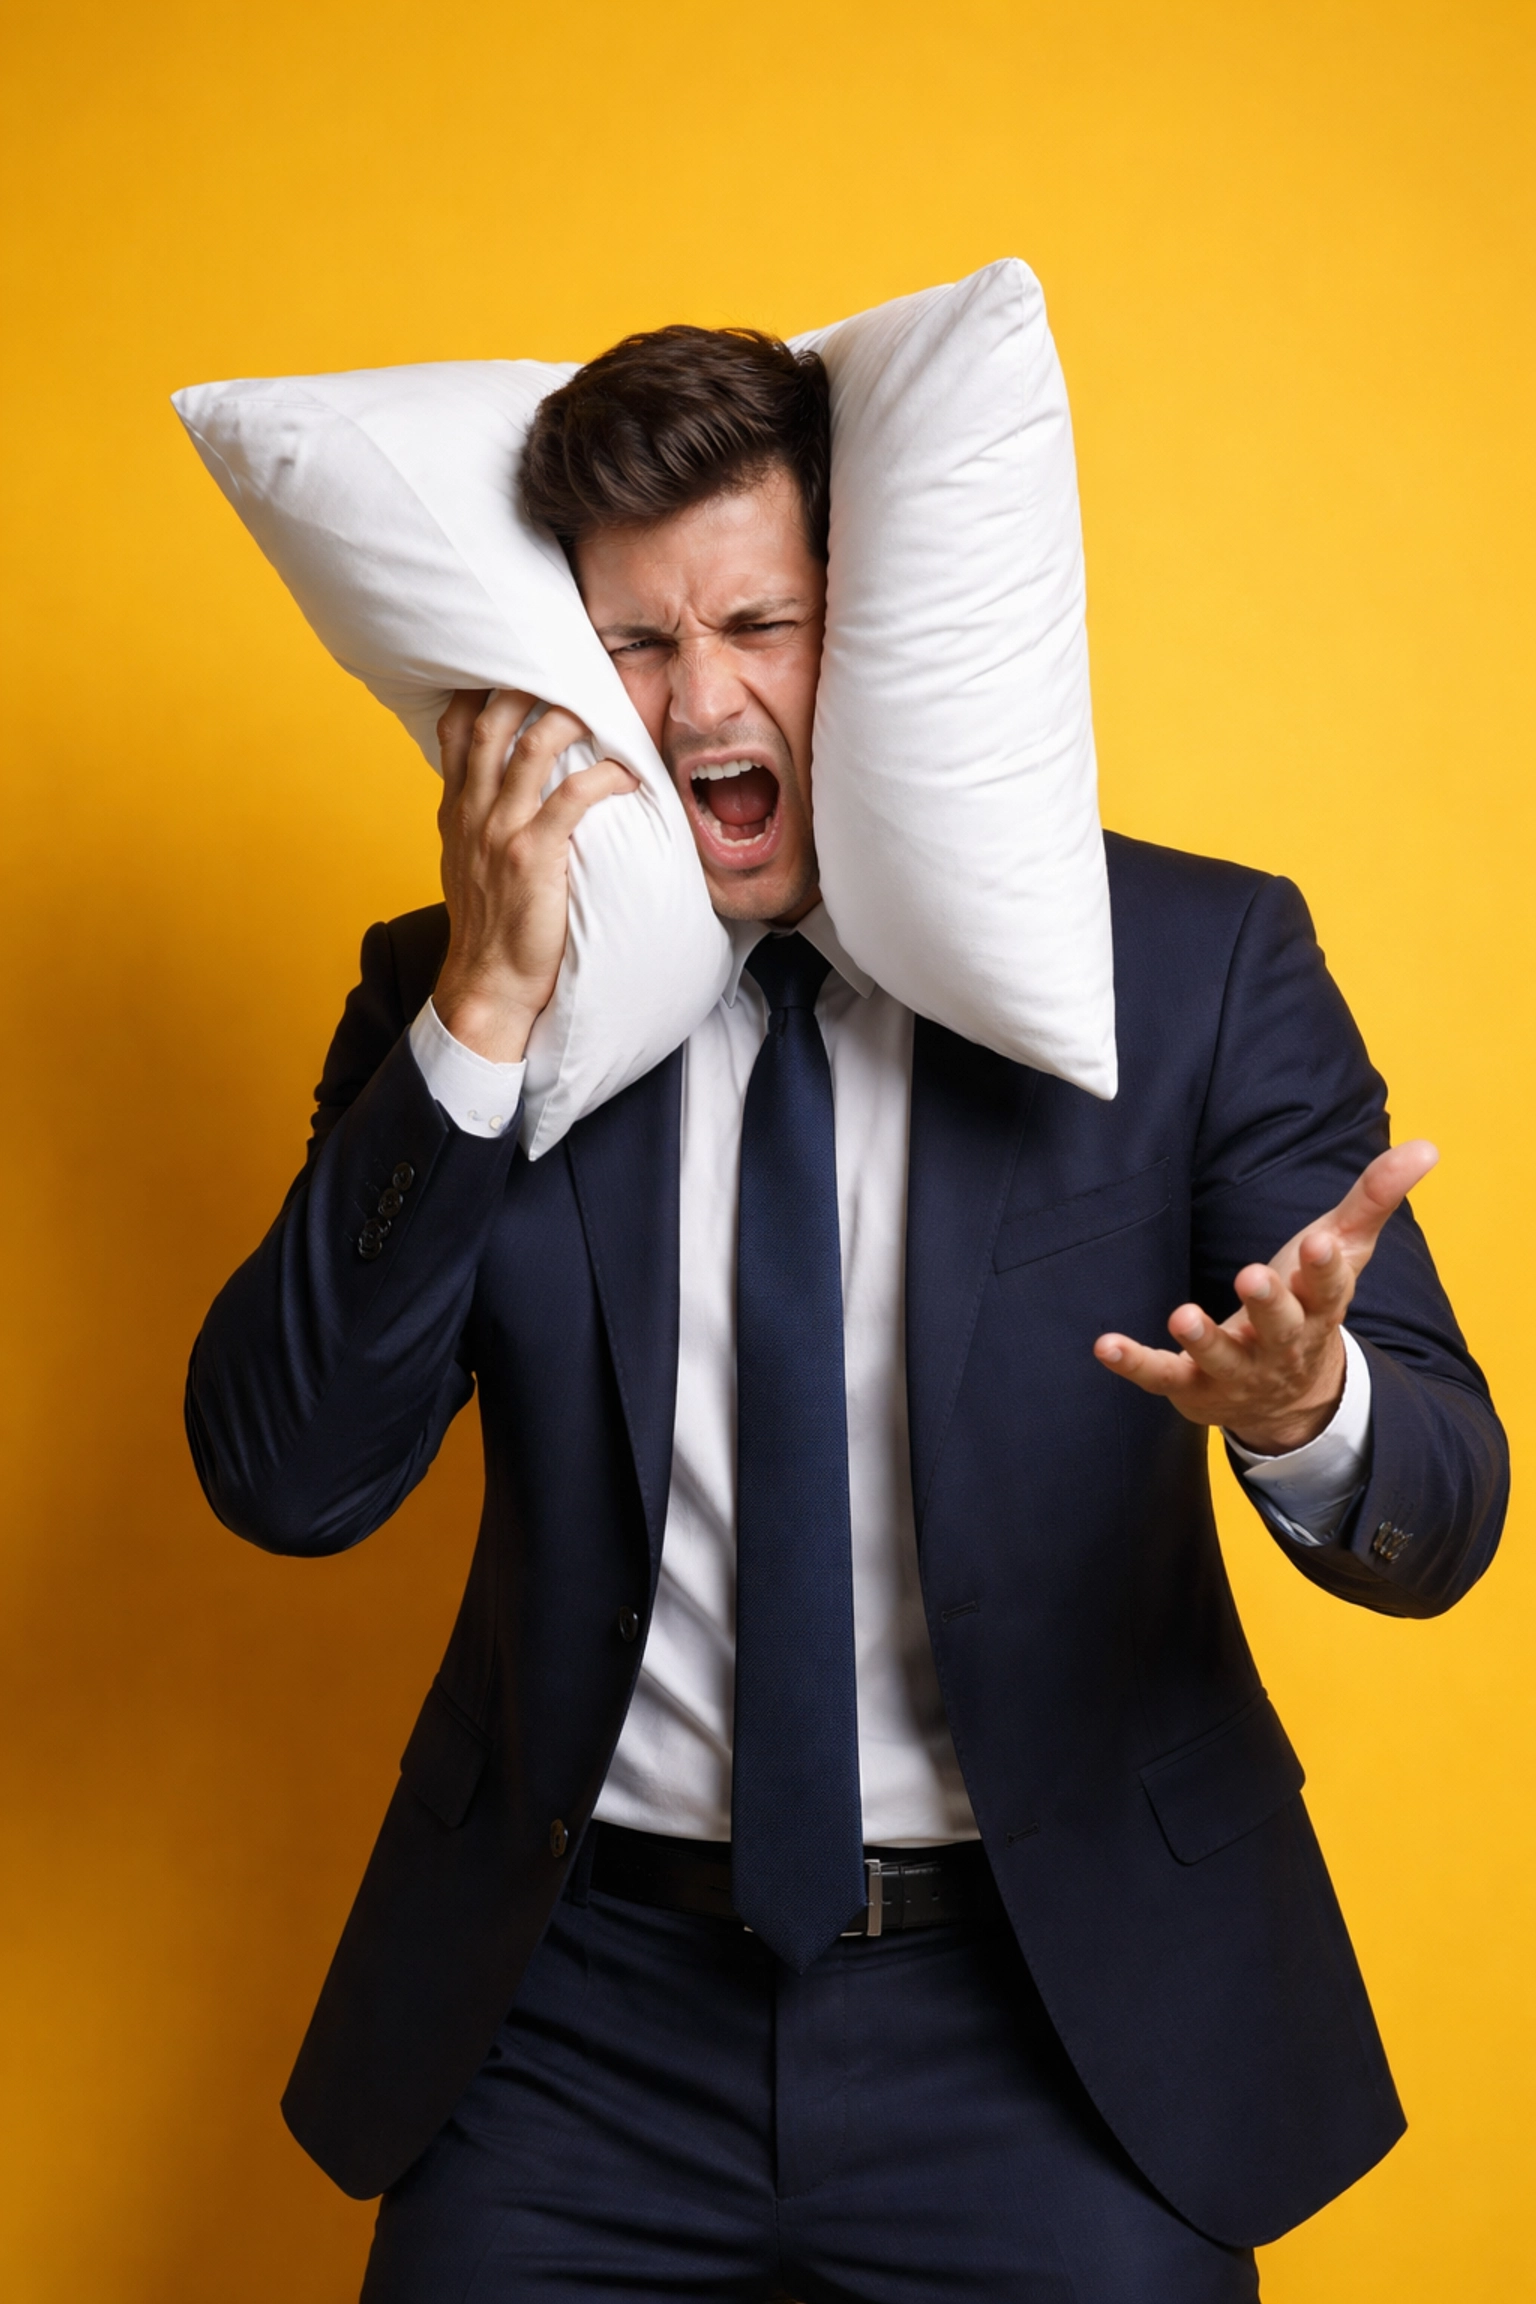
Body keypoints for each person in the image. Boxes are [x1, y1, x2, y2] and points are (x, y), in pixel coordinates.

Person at [186, 325, 1508, 2303]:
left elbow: (1449, 1511)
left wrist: (1313, 1411)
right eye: (634, 646)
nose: (701, 696)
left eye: (758, 622)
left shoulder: (1198, 966)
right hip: (576, 2018)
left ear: (866, 622)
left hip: (1052, 2018)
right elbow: (288, 1477)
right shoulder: (452, 991)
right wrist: (475, 1021)